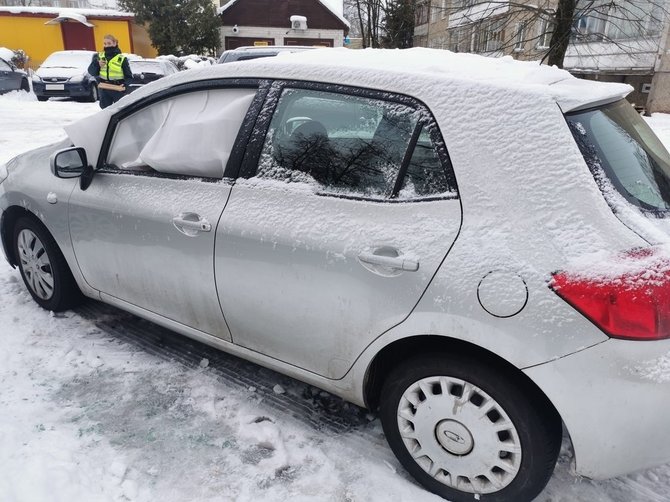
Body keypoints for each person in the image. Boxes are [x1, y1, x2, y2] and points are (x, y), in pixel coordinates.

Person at [88, 34, 132, 109]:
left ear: (115, 43)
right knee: (105, 111)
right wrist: (97, 64)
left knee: (120, 110)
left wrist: (125, 85)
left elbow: (129, 76)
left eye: (109, 43)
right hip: (104, 88)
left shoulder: (121, 58)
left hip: (118, 89)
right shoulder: (99, 56)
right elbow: (91, 72)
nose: (107, 46)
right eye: (105, 44)